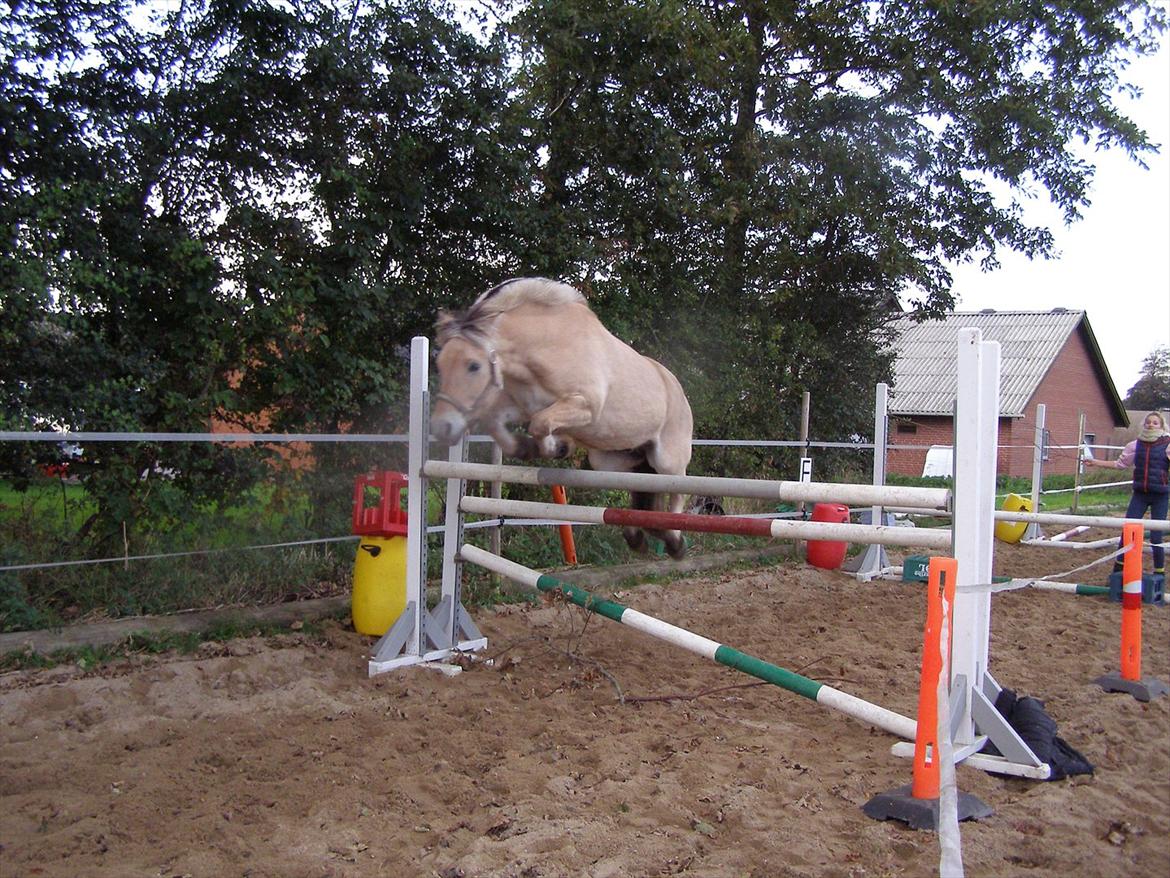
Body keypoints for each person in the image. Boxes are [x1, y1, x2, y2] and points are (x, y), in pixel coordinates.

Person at [1085, 411, 1170, 578]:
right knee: (1128, 531)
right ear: (1144, 425)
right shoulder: (1135, 445)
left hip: (1160, 495)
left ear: (1161, 426)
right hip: (1140, 494)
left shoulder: (1167, 444)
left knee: (1156, 535)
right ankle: (1118, 570)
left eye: (1155, 423)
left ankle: (1159, 572)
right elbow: (1120, 464)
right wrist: (1096, 462)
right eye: (1148, 422)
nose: (1151, 425)